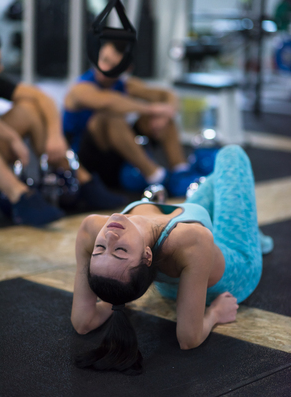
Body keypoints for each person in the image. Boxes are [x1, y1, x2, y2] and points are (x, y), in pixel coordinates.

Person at [71, 145, 271, 374]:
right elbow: (188, 338)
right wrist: (215, 312)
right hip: (237, 268)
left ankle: (254, 233)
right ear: (147, 255)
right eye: (120, 251)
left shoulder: (91, 229)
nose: (110, 235)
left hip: (183, 279)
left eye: (100, 248)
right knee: (232, 156)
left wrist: (116, 298)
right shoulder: (190, 240)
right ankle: (253, 241)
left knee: (222, 180)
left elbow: (82, 323)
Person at [0, 33, 127, 227]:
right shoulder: (84, 85)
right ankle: (19, 195)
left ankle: (82, 180)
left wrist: (55, 136)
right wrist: (11, 136)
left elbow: (41, 97)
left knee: (29, 109)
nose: (0, 68)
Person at [63, 40, 201, 197]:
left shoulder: (126, 85)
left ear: (126, 69)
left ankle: (180, 172)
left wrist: (165, 113)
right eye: (104, 60)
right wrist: (152, 108)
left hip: (117, 159)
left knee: (160, 118)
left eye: (114, 66)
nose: (104, 68)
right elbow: (109, 101)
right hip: (84, 161)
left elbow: (167, 95)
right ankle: (156, 176)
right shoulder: (80, 89)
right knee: (108, 116)